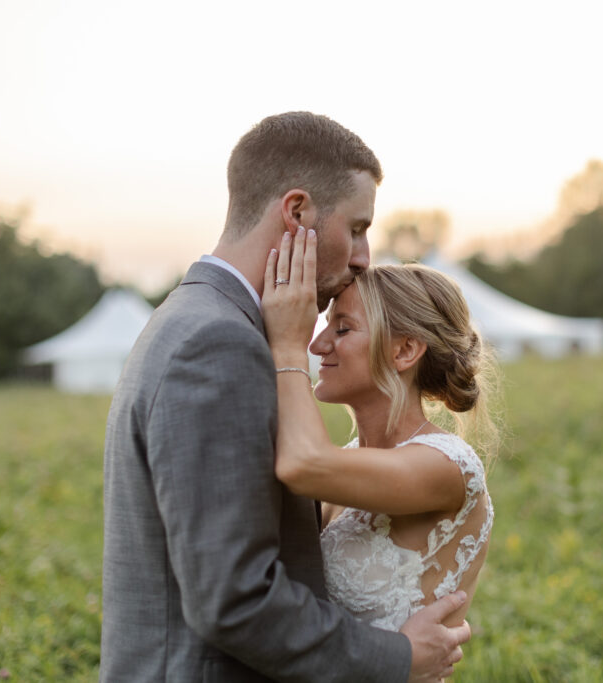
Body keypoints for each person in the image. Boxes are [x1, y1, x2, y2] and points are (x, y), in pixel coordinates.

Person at [101, 112, 470, 682]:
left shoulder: (193, 318)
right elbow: (235, 597)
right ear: (297, 213)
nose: (364, 257)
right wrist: (395, 657)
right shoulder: (218, 343)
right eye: (356, 228)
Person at [261, 230, 497, 636]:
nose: (317, 345)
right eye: (324, 327)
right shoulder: (346, 459)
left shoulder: (448, 466)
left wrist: (286, 346)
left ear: (404, 351)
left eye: (342, 328)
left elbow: (303, 464)